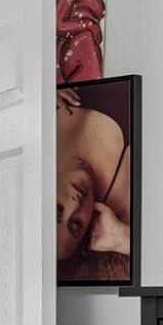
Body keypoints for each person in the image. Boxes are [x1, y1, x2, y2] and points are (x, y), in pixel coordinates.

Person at [56, 85, 131, 281]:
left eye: (57, 210)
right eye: (76, 224)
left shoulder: (44, 119)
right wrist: (123, 239)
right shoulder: (121, 209)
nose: (75, 204)